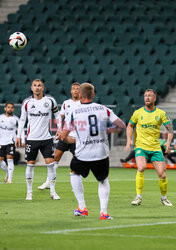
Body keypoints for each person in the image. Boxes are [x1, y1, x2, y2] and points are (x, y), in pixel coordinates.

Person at [57, 83, 126, 220]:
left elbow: (64, 137)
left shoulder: (74, 112)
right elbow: (122, 125)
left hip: (83, 154)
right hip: (101, 153)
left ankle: (82, 207)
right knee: (103, 180)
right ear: (93, 95)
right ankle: (104, 212)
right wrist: (109, 130)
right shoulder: (103, 109)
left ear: (80, 96)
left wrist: (76, 140)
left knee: (74, 173)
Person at [126, 89, 173, 206]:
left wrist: (168, 142)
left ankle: (164, 198)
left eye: (150, 96)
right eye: (145, 96)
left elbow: (170, 130)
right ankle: (138, 197)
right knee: (141, 168)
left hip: (156, 148)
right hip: (141, 147)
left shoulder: (161, 114)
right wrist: (129, 140)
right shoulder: (138, 113)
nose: (147, 98)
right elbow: (130, 125)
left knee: (162, 174)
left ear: (154, 98)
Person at [15, 79, 60, 200]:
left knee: (50, 164)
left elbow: (57, 115)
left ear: (43, 88)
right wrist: (18, 135)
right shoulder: (27, 102)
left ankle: (53, 192)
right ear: (31, 88)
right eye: (35, 85)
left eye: (39, 85)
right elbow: (22, 120)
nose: (37, 87)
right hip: (31, 139)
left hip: (46, 138)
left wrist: (60, 129)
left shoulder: (50, 101)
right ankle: (29, 193)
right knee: (30, 165)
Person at [38, 82, 80, 190]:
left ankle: (75, 185)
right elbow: (59, 117)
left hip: (77, 138)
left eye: (77, 89)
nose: (75, 90)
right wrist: (59, 130)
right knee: (55, 158)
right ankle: (48, 182)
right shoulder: (66, 103)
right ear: (71, 91)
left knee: (76, 162)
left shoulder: (83, 103)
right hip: (65, 136)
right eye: (73, 88)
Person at [0, 102, 25, 183]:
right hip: (1, 142)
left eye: (11, 107)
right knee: (0, 161)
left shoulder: (16, 119)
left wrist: (23, 140)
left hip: (10, 142)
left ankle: (10, 179)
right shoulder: (0, 117)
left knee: (10, 159)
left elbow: (21, 130)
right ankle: (7, 173)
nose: (10, 109)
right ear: (5, 108)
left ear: (13, 109)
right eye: (8, 107)